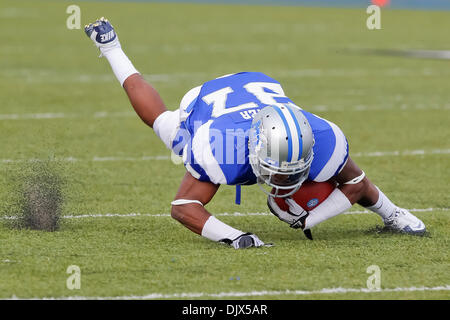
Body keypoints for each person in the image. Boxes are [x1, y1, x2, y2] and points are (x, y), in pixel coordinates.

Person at [84, 18, 426, 249]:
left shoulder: (322, 138)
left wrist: (311, 218)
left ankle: (394, 214)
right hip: (209, 105)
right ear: (256, 151)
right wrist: (238, 238)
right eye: (279, 170)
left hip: (263, 92)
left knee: (341, 172)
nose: (283, 179)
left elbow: (357, 182)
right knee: (162, 125)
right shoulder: (220, 147)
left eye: (293, 171)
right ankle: (112, 46)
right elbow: (183, 206)